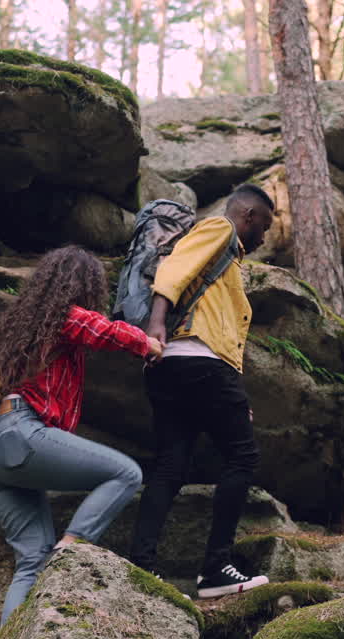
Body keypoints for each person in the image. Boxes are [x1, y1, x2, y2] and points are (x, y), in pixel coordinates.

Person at [0, 246, 163, 623]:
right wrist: (150, 343)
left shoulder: (24, 327)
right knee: (126, 473)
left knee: (31, 560)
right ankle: (72, 550)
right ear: (83, 287)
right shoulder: (63, 317)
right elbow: (103, 329)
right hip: (21, 433)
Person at [129, 183, 275, 599]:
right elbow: (175, 269)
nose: (264, 237)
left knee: (171, 466)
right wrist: (156, 321)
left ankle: (141, 565)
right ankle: (215, 568)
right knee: (243, 457)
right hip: (199, 362)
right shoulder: (219, 230)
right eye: (263, 225)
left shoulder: (230, 259)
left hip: (172, 367)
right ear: (247, 216)